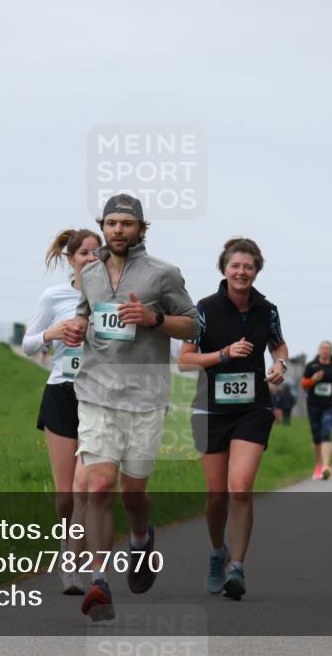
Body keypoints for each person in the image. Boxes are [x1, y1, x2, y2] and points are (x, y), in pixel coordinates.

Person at [63, 193, 199, 621]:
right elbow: (86, 314)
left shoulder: (163, 274)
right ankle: (100, 583)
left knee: (132, 494)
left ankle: (140, 537)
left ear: (141, 228)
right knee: (100, 485)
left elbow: (196, 323)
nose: (118, 230)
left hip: (144, 397)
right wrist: (77, 326)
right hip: (96, 392)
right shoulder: (89, 272)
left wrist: (154, 320)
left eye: (127, 223)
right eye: (111, 223)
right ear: (102, 227)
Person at [178, 237, 288, 601]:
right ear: (224, 269)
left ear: (257, 270)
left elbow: (278, 344)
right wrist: (223, 354)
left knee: (239, 487)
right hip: (210, 409)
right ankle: (216, 553)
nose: (242, 272)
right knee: (216, 496)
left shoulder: (267, 310)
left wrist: (280, 364)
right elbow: (186, 359)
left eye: (248, 266)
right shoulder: (204, 309)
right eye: (235, 266)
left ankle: (237, 567)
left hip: (252, 409)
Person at [22, 228, 101, 594]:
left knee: (83, 487)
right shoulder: (53, 296)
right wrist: (52, 333)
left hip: (98, 397)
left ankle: (71, 565)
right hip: (60, 393)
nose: (90, 258)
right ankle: (66, 547)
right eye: (84, 253)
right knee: (66, 495)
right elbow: (27, 344)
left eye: (95, 253)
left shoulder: (110, 298)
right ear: (71, 259)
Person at [301, 341, 332, 480]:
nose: (325, 351)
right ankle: (318, 465)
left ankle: (326, 466)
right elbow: (304, 384)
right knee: (316, 435)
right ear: (319, 350)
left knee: (326, 431)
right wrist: (313, 379)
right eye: (323, 348)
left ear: (331, 351)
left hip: (330, 404)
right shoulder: (312, 366)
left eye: (328, 348)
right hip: (313, 404)